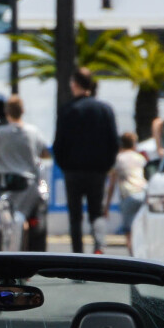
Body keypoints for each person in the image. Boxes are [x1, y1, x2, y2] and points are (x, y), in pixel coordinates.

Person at [52, 67, 119, 255]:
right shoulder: (105, 110)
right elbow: (114, 142)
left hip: (72, 171)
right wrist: (105, 166)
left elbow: (59, 143)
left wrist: (64, 164)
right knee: (96, 212)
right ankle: (99, 246)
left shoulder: (67, 110)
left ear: (75, 84)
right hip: (97, 171)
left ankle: (77, 255)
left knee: (75, 216)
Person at [0, 94, 49, 228]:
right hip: (30, 186)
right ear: (22, 111)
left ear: (7, 112)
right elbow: (45, 152)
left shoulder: (1, 133)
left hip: (8, 185)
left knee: (10, 222)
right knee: (26, 221)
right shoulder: (33, 132)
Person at [103, 132, 149, 249]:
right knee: (143, 230)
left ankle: (132, 261)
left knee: (129, 233)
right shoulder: (140, 158)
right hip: (144, 193)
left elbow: (112, 186)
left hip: (129, 195)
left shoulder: (118, 159)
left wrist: (106, 207)